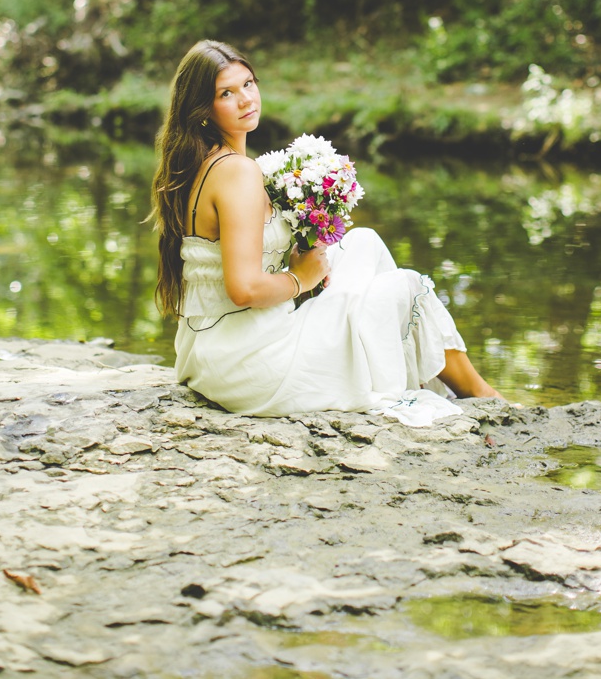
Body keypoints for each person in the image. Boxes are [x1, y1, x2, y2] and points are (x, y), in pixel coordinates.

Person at [149, 40, 500, 423]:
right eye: (226, 93)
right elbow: (244, 289)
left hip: (211, 352)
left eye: (248, 83)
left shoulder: (205, 164)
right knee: (409, 285)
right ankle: (479, 394)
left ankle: (389, 360)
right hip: (252, 363)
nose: (246, 99)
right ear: (201, 110)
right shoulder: (237, 172)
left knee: (364, 241)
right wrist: (300, 278)